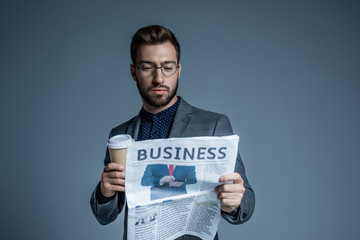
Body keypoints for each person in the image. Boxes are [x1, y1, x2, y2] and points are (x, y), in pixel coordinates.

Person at [90, 25, 255, 240]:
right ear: (134, 72)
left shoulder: (214, 125)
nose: (159, 78)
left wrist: (235, 202)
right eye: (147, 67)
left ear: (178, 69)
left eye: (167, 67)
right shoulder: (120, 135)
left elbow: (246, 205)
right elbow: (105, 216)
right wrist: (105, 192)